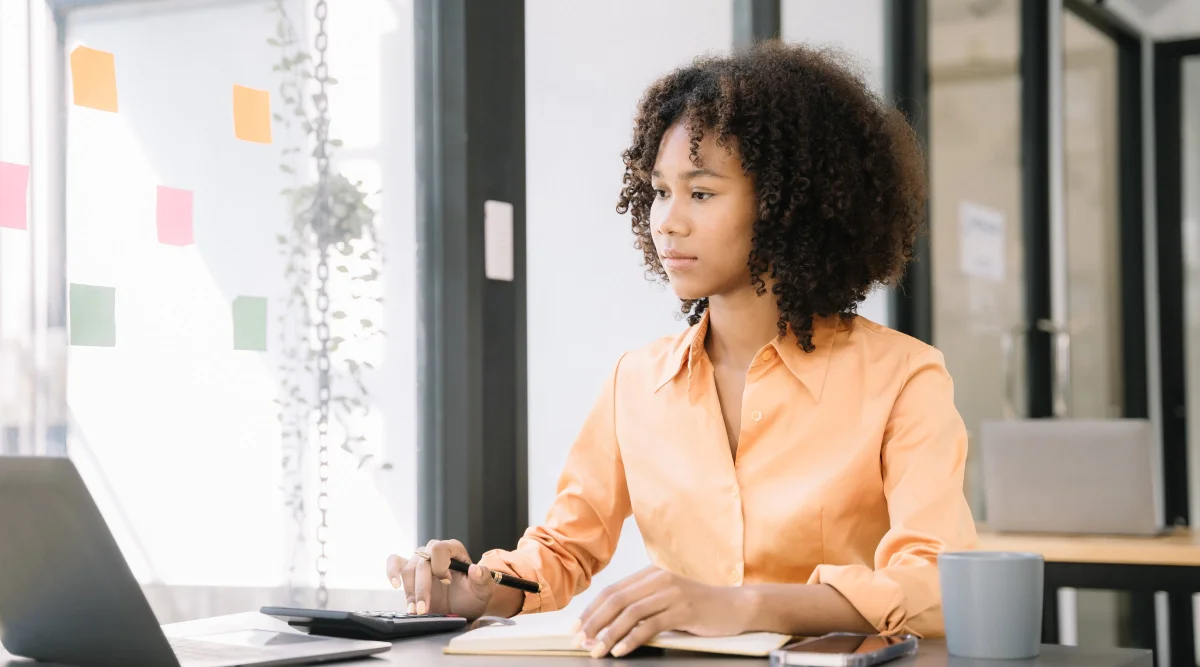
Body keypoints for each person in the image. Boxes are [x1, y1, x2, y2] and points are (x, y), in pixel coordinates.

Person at [386, 40, 977, 659]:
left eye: (700, 193)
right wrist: (481, 591)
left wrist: (745, 605)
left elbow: (937, 581)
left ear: (785, 206)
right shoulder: (637, 380)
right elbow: (563, 550)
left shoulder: (905, 378)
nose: (666, 221)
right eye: (659, 191)